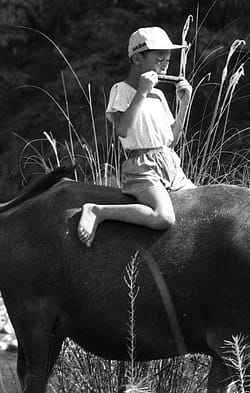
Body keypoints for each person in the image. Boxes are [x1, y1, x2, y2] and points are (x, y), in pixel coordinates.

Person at [77, 26, 196, 247]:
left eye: (167, 61)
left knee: (202, 206)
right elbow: (122, 130)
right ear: (138, 59)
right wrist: (141, 92)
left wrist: (184, 104)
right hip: (143, 169)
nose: (164, 66)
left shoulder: (159, 95)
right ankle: (98, 211)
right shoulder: (120, 90)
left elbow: (171, 138)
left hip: (170, 164)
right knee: (164, 217)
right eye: (159, 59)